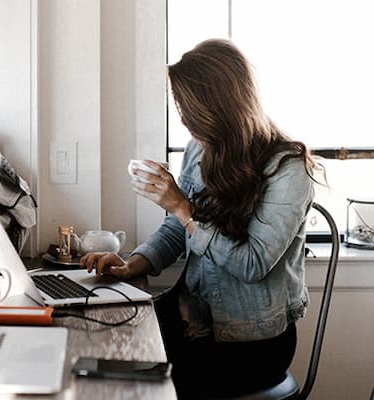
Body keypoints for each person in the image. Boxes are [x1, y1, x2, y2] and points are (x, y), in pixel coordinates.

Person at [80, 38, 322, 399]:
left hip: (251, 344)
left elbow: (252, 264)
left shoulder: (288, 169)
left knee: (126, 378)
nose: (184, 120)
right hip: (192, 323)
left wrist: (182, 206)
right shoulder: (200, 149)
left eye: (189, 110)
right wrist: (135, 264)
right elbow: (179, 228)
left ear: (220, 106)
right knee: (95, 354)